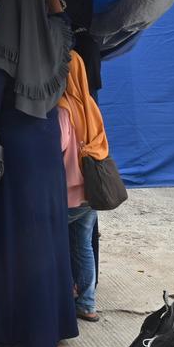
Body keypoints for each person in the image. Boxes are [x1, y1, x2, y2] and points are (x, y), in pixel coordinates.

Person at [0, 0, 78, 347]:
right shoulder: (55, 34)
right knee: (46, 235)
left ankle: (7, 327)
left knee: (12, 235)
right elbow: (61, 16)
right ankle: (47, 329)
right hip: (45, 145)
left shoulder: (1, 39)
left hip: (14, 150)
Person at [58, 50, 108, 322]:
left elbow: (57, 147)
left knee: (60, 247)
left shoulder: (62, 109)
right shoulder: (90, 104)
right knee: (84, 247)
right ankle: (87, 304)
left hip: (67, 192)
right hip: (92, 190)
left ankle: (65, 299)